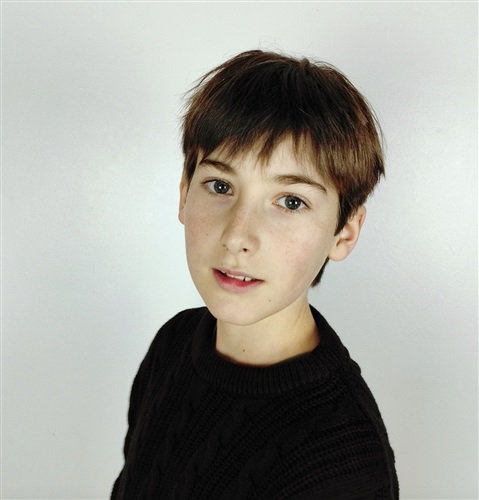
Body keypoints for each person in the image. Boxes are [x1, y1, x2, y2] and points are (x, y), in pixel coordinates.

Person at [111, 50, 399, 499]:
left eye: (290, 202)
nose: (237, 237)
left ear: (344, 231)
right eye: (220, 186)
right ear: (184, 194)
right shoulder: (174, 343)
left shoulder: (341, 463)